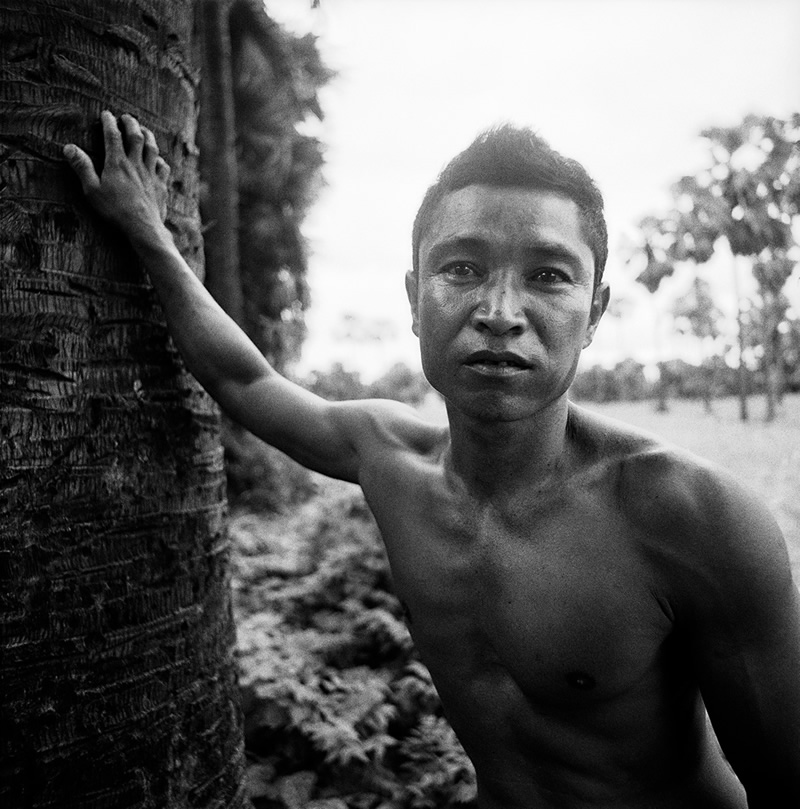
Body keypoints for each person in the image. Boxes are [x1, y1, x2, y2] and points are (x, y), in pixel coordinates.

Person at [63, 111, 800, 808]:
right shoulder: (390, 461)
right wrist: (145, 227)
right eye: (463, 267)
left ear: (595, 314)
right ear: (416, 300)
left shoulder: (693, 515)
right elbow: (244, 380)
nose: (500, 311)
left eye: (548, 274)